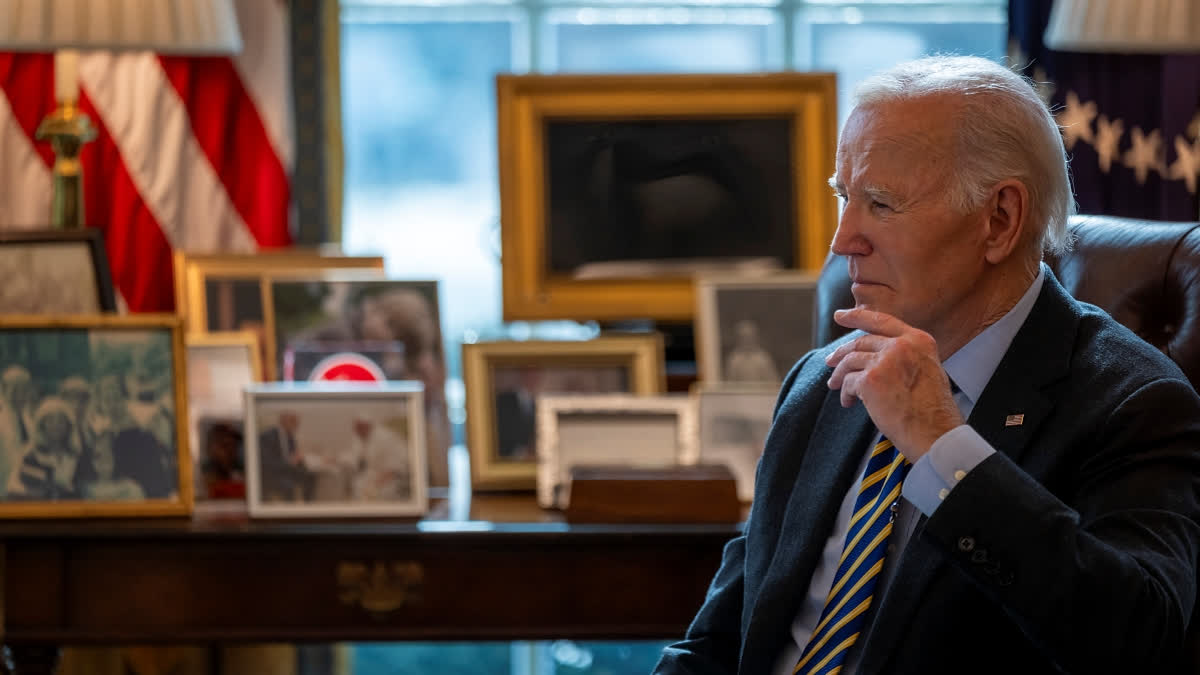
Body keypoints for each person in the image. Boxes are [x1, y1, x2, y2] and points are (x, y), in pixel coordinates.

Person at [654, 55, 1200, 675]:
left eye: (881, 204)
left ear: (1000, 221)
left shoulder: (1134, 403)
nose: (842, 241)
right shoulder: (818, 382)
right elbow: (720, 641)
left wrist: (945, 448)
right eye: (844, 197)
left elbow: (1137, 644)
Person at [258, 411, 314, 502]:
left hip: (287, 470)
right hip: (272, 474)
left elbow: (294, 458)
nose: (297, 425)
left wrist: (300, 459)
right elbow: (267, 462)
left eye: (297, 422)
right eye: (293, 421)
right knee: (289, 485)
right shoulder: (267, 436)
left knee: (310, 476)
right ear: (283, 420)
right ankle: (289, 511)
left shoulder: (290, 436)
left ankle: (309, 507)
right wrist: (289, 462)